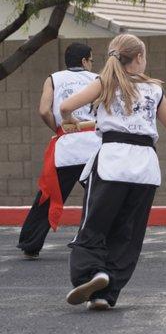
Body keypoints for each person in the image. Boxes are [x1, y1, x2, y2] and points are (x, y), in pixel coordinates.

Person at [60, 34, 166, 310]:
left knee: (94, 227)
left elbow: (65, 107)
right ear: (139, 58)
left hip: (112, 162)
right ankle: (107, 292)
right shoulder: (154, 89)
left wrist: (70, 121)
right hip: (145, 168)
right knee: (127, 234)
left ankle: (93, 273)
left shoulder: (105, 82)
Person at [17, 43, 101, 259]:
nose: (92, 64)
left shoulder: (53, 78)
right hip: (94, 145)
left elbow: (44, 110)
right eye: (91, 60)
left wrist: (58, 128)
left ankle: (30, 243)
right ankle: (97, 241)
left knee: (50, 194)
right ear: (84, 61)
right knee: (101, 196)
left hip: (67, 146)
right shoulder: (97, 80)